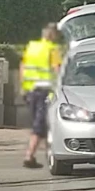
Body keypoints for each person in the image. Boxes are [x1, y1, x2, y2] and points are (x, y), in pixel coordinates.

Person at [20, 23, 63, 169]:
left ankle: (50, 154)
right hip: (46, 91)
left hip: (31, 91)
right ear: (53, 35)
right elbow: (57, 70)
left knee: (41, 123)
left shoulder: (32, 47)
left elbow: (23, 67)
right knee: (41, 124)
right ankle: (29, 155)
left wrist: (23, 88)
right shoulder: (53, 49)